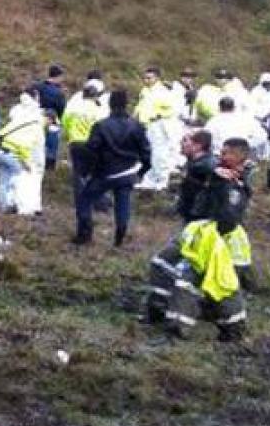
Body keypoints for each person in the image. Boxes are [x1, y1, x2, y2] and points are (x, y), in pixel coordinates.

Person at [142, 139, 255, 342]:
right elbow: (202, 169)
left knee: (205, 282)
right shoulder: (217, 173)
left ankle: (184, 329)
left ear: (238, 158)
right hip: (197, 232)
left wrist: (211, 237)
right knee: (163, 264)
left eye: (226, 153)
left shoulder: (234, 186)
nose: (221, 156)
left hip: (213, 240)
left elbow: (227, 219)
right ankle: (158, 311)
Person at [75, 89, 151, 247]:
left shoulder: (101, 126)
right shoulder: (137, 126)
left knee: (84, 199)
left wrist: (86, 171)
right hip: (128, 171)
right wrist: (142, 171)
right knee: (123, 203)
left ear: (110, 104)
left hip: (105, 172)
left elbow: (91, 149)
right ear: (127, 104)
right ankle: (119, 236)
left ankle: (84, 234)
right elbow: (146, 152)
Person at [137, 68, 187, 191]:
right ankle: (152, 178)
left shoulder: (163, 91)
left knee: (160, 154)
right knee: (153, 154)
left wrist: (159, 115)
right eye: (145, 78)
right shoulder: (145, 91)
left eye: (149, 78)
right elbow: (141, 106)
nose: (146, 80)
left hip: (159, 125)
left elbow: (173, 108)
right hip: (148, 125)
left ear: (157, 78)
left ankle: (162, 179)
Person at [0, 90, 45, 216]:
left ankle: (4, 206)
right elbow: (25, 145)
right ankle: (17, 206)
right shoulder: (34, 122)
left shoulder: (17, 113)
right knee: (17, 178)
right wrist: (26, 161)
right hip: (13, 153)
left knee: (4, 179)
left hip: (0, 149)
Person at [61, 79, 109, 179]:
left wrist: (69, 133)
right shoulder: (98, 111)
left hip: (76, 142)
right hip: (92, 144)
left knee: (78, 173)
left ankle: (79, 189)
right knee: (92, 173)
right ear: (95, 96)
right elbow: (103, 127)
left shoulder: (74, 109)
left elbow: (65, 121)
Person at [171, 130, 218, 221]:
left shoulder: (207, 166)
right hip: (190, 215)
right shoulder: (193, 163)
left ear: (198, 145)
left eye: (185, 140)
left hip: (200, 218)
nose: (181, 143)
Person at [36, 65, 69, 170]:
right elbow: (62, 110)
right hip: (52, 121)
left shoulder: (38, 86)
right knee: (51, 148)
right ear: (58, 76)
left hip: (36, 120)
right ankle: (49, 170)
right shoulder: (59, 93)